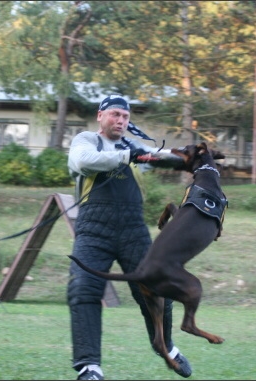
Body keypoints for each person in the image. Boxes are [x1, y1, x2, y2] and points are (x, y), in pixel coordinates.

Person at [67, 94, 192, 380]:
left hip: (133, 229)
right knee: (83, 289)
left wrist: (191, 158)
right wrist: (128, 155)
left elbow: (159, 156)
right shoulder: (86, 140)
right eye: (114, 114)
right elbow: (82, 162)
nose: (120, 120)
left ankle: (166, 347)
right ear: (101, 116)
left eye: (125, 117)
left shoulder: (133, 146)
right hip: (93, 228)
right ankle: (90, 367)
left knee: (157, 289)